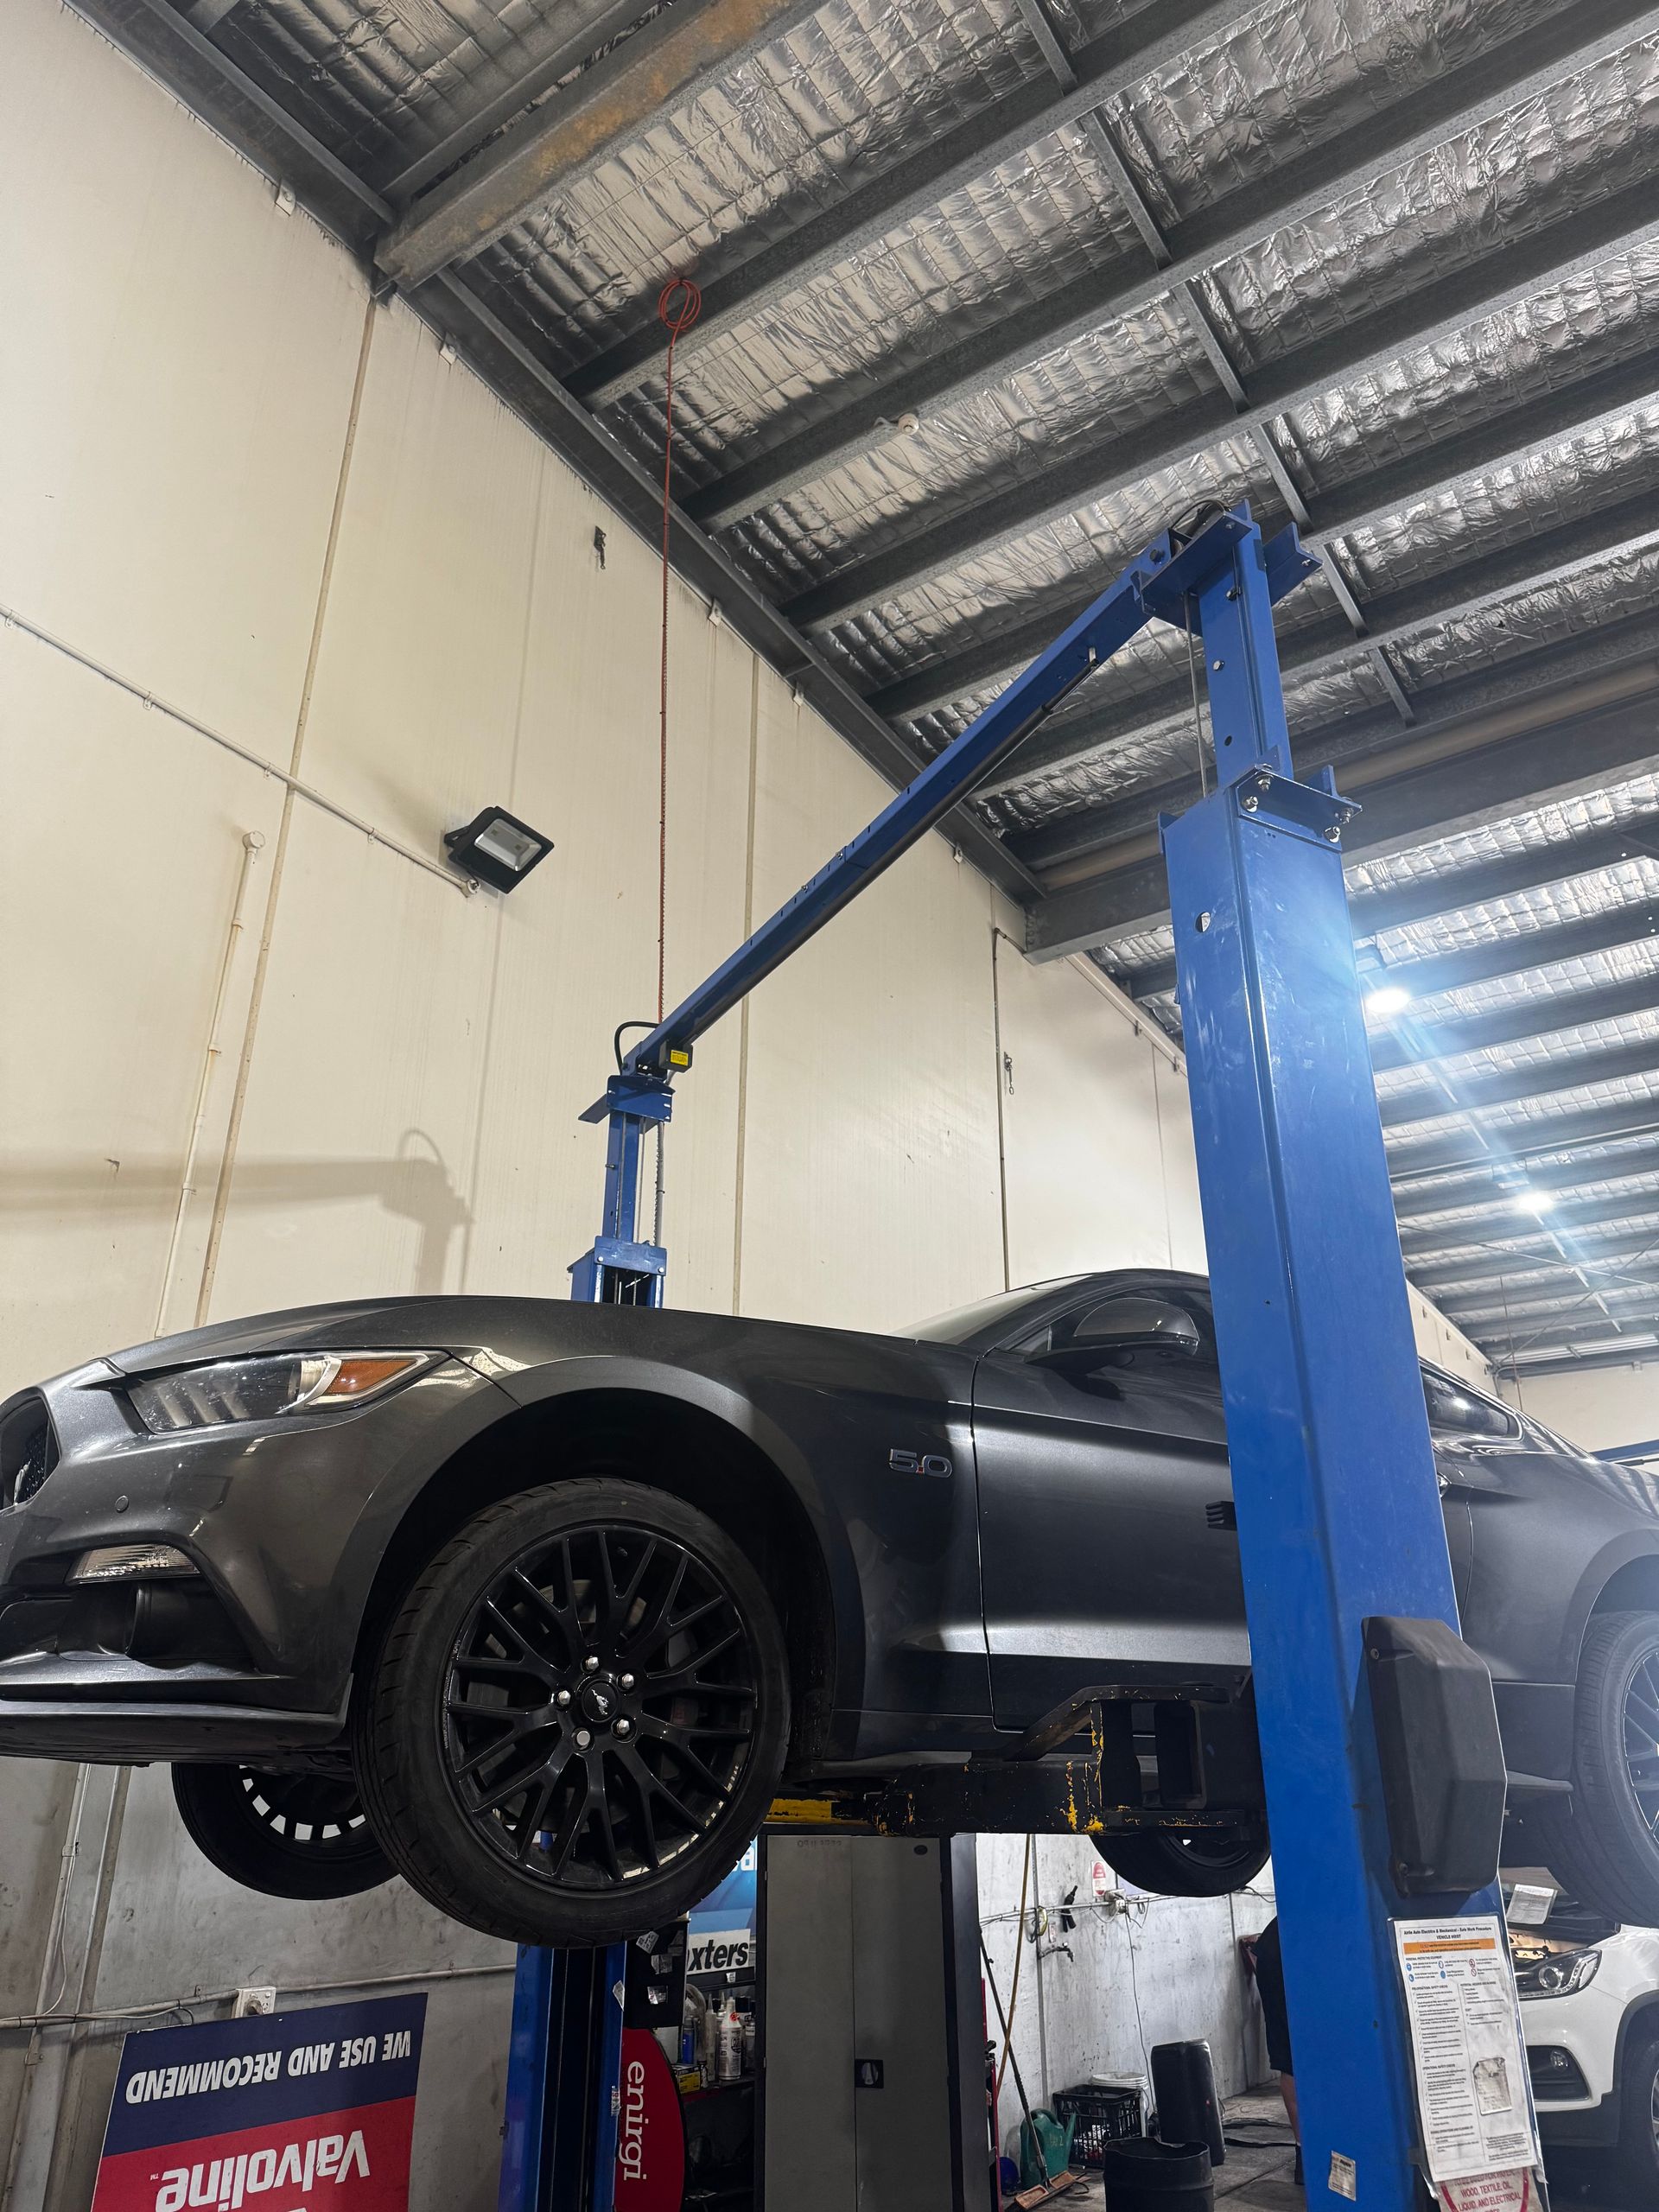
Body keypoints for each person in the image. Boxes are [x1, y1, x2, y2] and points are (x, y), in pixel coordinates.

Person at [1241, 1918, 1301, 2188]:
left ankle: (1307, 2154)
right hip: (1285, 1953)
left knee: (1292, 2060)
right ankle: (1306, 2155)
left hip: (1280, 1947)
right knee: (1292, 2060)